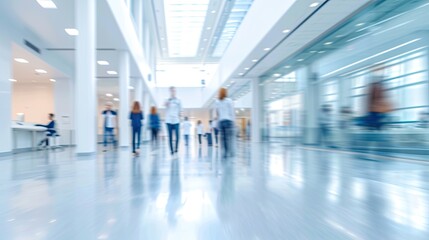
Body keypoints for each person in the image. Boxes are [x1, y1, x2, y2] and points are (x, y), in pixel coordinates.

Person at [215, 88, 236, 158]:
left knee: (223, 138)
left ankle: (225, 152)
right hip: (228, 121)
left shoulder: (217, 101)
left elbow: (217, 113)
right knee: (229, 138)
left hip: (221, 121)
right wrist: (233, 121)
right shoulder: (229, 101)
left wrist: (217, 123)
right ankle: (229, 151)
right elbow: (232, 112)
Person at [165, 86, 182, 155]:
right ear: (170, 91)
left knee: (178, 136)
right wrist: (168, 101)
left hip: (176, 121)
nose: (173, 92)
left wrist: (181, 118)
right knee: (170, 136)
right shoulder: (167, 99)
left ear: (175, 91)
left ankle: (176, 148)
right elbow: (164, 104)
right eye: (172, 91)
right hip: (168, 121)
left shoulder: (179, 100)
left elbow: (181, 110)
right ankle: (171, 150)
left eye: (174, 91)